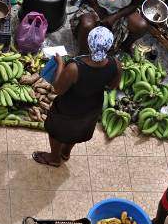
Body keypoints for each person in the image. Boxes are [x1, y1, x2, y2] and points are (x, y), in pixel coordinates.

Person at [33, 26, 120, 167]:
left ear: (89, 43)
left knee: (56, 133)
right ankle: (66, 152)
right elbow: (112, 86)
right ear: (109, 46)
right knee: (76, 131)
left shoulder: (75, 68)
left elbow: (58, 89)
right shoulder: (115, 64)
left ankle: (55, 158)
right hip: (92, 108)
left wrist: (60, 63)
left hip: (68, 109)